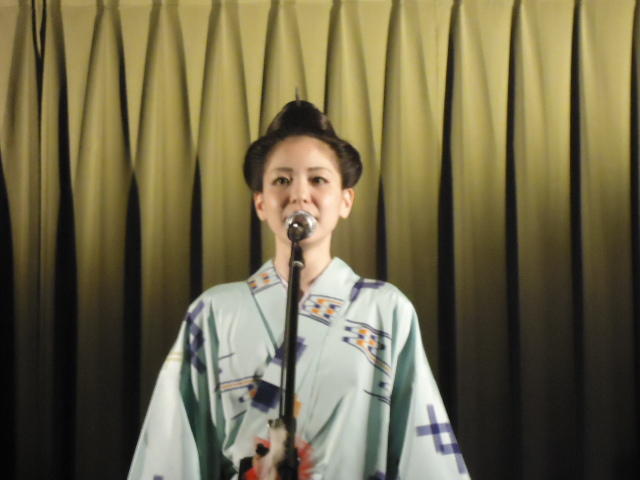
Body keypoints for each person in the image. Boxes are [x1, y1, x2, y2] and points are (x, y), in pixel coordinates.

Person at [128, 100, 470, 479]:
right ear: (260, 202)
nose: (299, 194)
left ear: (346, 200)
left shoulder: (384, 310)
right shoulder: (213, 312)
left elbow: (421, 449)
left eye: (318, 180)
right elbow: (172, 444)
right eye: (281, 180)